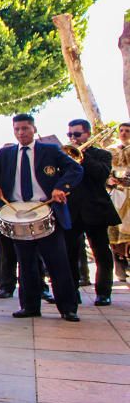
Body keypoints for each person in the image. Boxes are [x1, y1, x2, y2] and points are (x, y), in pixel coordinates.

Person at [0, 113, 83, 322]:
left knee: (57, 263)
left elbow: (76, 168)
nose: (20, 133)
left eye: (25, 128)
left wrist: (61, 187)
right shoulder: (6, 153)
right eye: (17, 129)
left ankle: (68, 308)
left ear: (34, 129)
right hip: (18, 214)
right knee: (26, 264)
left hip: (46, 210)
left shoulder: (50, 150)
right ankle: (29, 306)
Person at [64, 119, 120, 306]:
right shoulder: (64, 156)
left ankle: (103, 292)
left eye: (77, 134)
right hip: (72, 210)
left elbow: (102, 175)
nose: (73, 138)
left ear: (87, 134)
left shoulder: (102, 154)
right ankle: (72, 292)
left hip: (95, 209)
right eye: (70, 134)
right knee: (70, 253)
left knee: (101, 252)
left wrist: (83, 156)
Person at [108, 122, 130, 283]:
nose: (123, 133)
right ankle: (120, 270)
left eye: (127, 131)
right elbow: (105, 172)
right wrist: (110, 179)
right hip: (117, 194)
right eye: (121, 130)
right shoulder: (111, 150)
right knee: (114, 232)